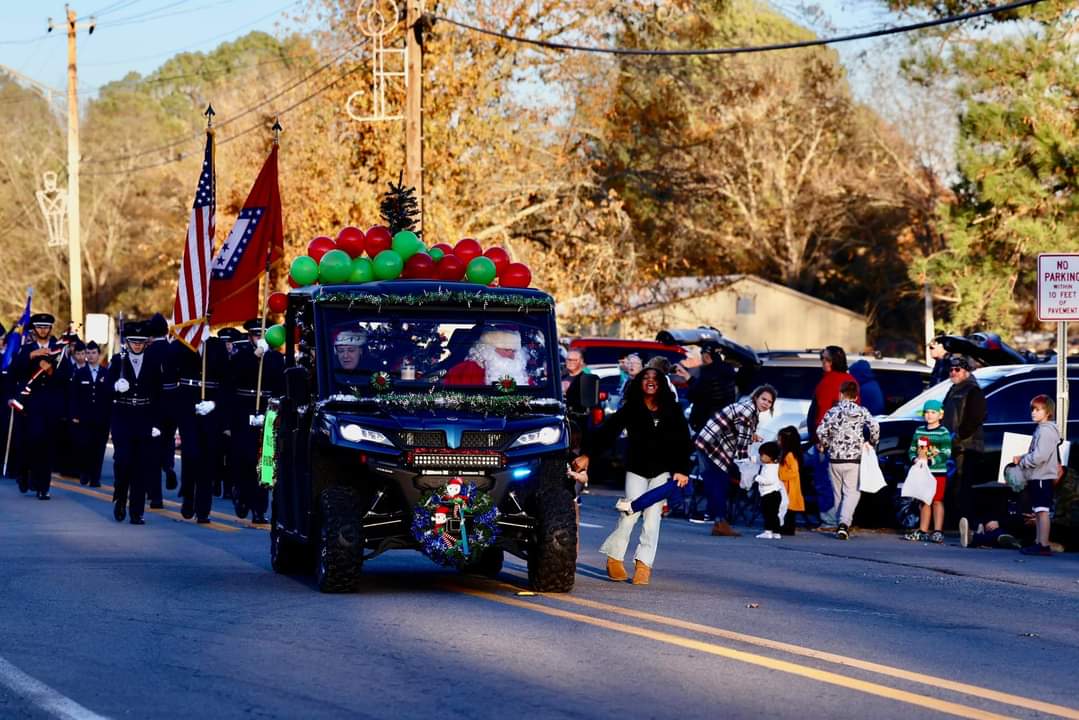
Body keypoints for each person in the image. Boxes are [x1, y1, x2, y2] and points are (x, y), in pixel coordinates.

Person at [572, 367, 693, 585]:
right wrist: (588, 455)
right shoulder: (631, 408)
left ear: (662, 384)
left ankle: (643, 565)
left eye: (655, 378)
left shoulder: (673, 410)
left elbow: (683, 442)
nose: (650, 381)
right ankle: (614, 558)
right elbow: (607, 432)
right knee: (629, 513)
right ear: (639, 383)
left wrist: (682, 469)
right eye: (645, 377)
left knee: (653, 519)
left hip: (663, 472)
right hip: (636, 469)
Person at [694, 384, 778, 538]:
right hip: (711, 445)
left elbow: (738, 428)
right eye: (763, 399)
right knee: (719, 483)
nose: (766, 403)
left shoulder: (749, 409)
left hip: (710, 443)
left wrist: (752, 436)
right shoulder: (748, 411)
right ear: (756, 397)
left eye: (769, 402)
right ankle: (719, 522)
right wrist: (745, 463)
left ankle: (717, 521)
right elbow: (742, 441)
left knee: (717, 483)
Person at [166, 333, 230, 523]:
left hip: (210, 405)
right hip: (188, 404)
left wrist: (215, 403)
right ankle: (188, 494)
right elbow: (171, 370)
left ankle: (203, 509)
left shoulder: (217, 346)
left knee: (208, 457)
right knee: (191, 452)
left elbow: (226, 381)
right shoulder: (183, 344)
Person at [227, 318, 284, 525]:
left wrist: (274, 410)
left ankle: (259, 509)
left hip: (267, 411)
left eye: (263, 335)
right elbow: (234, 379)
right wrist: (254, 357)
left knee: (264, 460)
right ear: (250, 336)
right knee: (244, 460)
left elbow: (280, 385)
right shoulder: (241, 355)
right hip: (244, 409)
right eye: (255, 335)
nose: (259, 339)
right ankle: (241, 494)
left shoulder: (277, 358)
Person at [107, 321, 163, 524]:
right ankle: (120, 497)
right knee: (123, 461)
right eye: (133, 342)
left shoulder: (153, 362)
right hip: (123, 415)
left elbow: (158, 394)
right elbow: (106, 388)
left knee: (141, 466)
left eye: (141, 342)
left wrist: (157, 423)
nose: (137, 345)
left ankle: (137, 511)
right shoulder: (117, 360)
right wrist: (115, 386)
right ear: (127, 342)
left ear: (146, 342)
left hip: (145, 416)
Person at [9, 312, 68, 499]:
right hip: (30, 403)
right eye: (39, 327)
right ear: (34, 329)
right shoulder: (26, 349)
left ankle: (43, 486)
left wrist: (50, 369)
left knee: (47, 445)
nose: (43, 330)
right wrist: (32, 356)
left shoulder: (59, 349)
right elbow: (13, 371)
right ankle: (24, 473)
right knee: (31, 441)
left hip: (51, 403)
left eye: (46, 327)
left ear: (51, 329)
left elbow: (67, 376)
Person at [816, 380, 879, 540]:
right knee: (852, 492)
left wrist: (825, 444)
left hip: (835, 458)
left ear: (840, 394)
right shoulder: (861, 411)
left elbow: (821, 430)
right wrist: (872, 441)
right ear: (856, 396)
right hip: (854, 459)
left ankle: (840, 524)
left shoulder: (833, 411)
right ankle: (844, 524)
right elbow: (875, 426)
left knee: (838, 493)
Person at [942, 354, 986, 530]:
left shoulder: (972, 390)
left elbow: (975, 418)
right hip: (953, 445)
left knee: (963, 487)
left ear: (966, 371)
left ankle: (966, 524)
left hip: (967, 447)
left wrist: (958, 436)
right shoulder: (953, 389)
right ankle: (955, 523)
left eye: (957, 369)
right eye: (951, 369)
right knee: (954, 487)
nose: (953, 372)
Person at [1013, 394, 1060, 556]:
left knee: (1042, 511)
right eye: (1033, 409)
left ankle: (1043, 544)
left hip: (1042, 476)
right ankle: (1039, 542)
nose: (1033, 412)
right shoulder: (1042, 429)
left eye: (1038, 409)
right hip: (1038, 475)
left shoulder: (1046, 431)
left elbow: (1040, 456)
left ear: (1048, 412)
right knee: (1038, 511)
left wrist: (1023, 461)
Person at [904, 399, 952, 543]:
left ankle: (938, 530)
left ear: (940, 415)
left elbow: (946, 452)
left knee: (937, 500)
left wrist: (931, 461)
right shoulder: (919, 430)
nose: (929, 415)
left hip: (938, 472)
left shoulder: (943, 432)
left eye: (933, 412)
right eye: (927, 412)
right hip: (923, 472)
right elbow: (912, 449)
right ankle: (923, 530)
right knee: (925, 500)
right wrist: (914, 459)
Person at [69, 341, 110, 487]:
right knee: (84, 446)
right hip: (84, 418)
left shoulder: (107, 373)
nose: (91, 356)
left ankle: (95, 477)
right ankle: (84, 471)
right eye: (88, 353)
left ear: (98, 355)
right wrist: (74, 414)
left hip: (101, 418)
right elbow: (74, 395)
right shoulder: (80, 373)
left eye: (94, 353)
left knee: (99, 448)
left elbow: (110, 397)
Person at [679, 343, 738, 433]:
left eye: (702, 354)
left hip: (706, 424)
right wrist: (689, 378)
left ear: (707, 356)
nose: (702, 357)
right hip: (722, 422)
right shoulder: (727, 370)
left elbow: (693, 395)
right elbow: (706, 389)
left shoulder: (708, 373)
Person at [444, 327, 530, 386]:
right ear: (487, 350)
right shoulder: (463, 371)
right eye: (506, 350)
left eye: (514, 351)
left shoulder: (522, 374)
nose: (511, 355)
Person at [808, 346, 858, 441]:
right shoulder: (852, 380)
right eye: (822, 358)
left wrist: (820, 439)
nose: (823, 361)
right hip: (849, 439)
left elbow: (823, 411)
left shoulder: (828, 382)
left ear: (836, 361)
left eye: (827, 359)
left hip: (829, 440)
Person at [753, 441, 786, 539]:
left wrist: (757, 478)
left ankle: (768, 531)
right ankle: (776, 532)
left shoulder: (771, 468)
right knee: (773, 514)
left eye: (763, 455)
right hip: (771, 494)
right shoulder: (772, 466)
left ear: (770, 456)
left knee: (768, 514)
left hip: (770, 494)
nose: (761, 457)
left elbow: (769, 480)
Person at [776, 425, 806, 535]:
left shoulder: (789, 455)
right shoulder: (791, 453)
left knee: (788, 508)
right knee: (788, 508)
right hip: (790, 485)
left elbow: (794, 471)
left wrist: (780, 475)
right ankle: (787, 527)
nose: (778, 441)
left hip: (789, 486)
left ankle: (787, 528)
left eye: (780, 439)